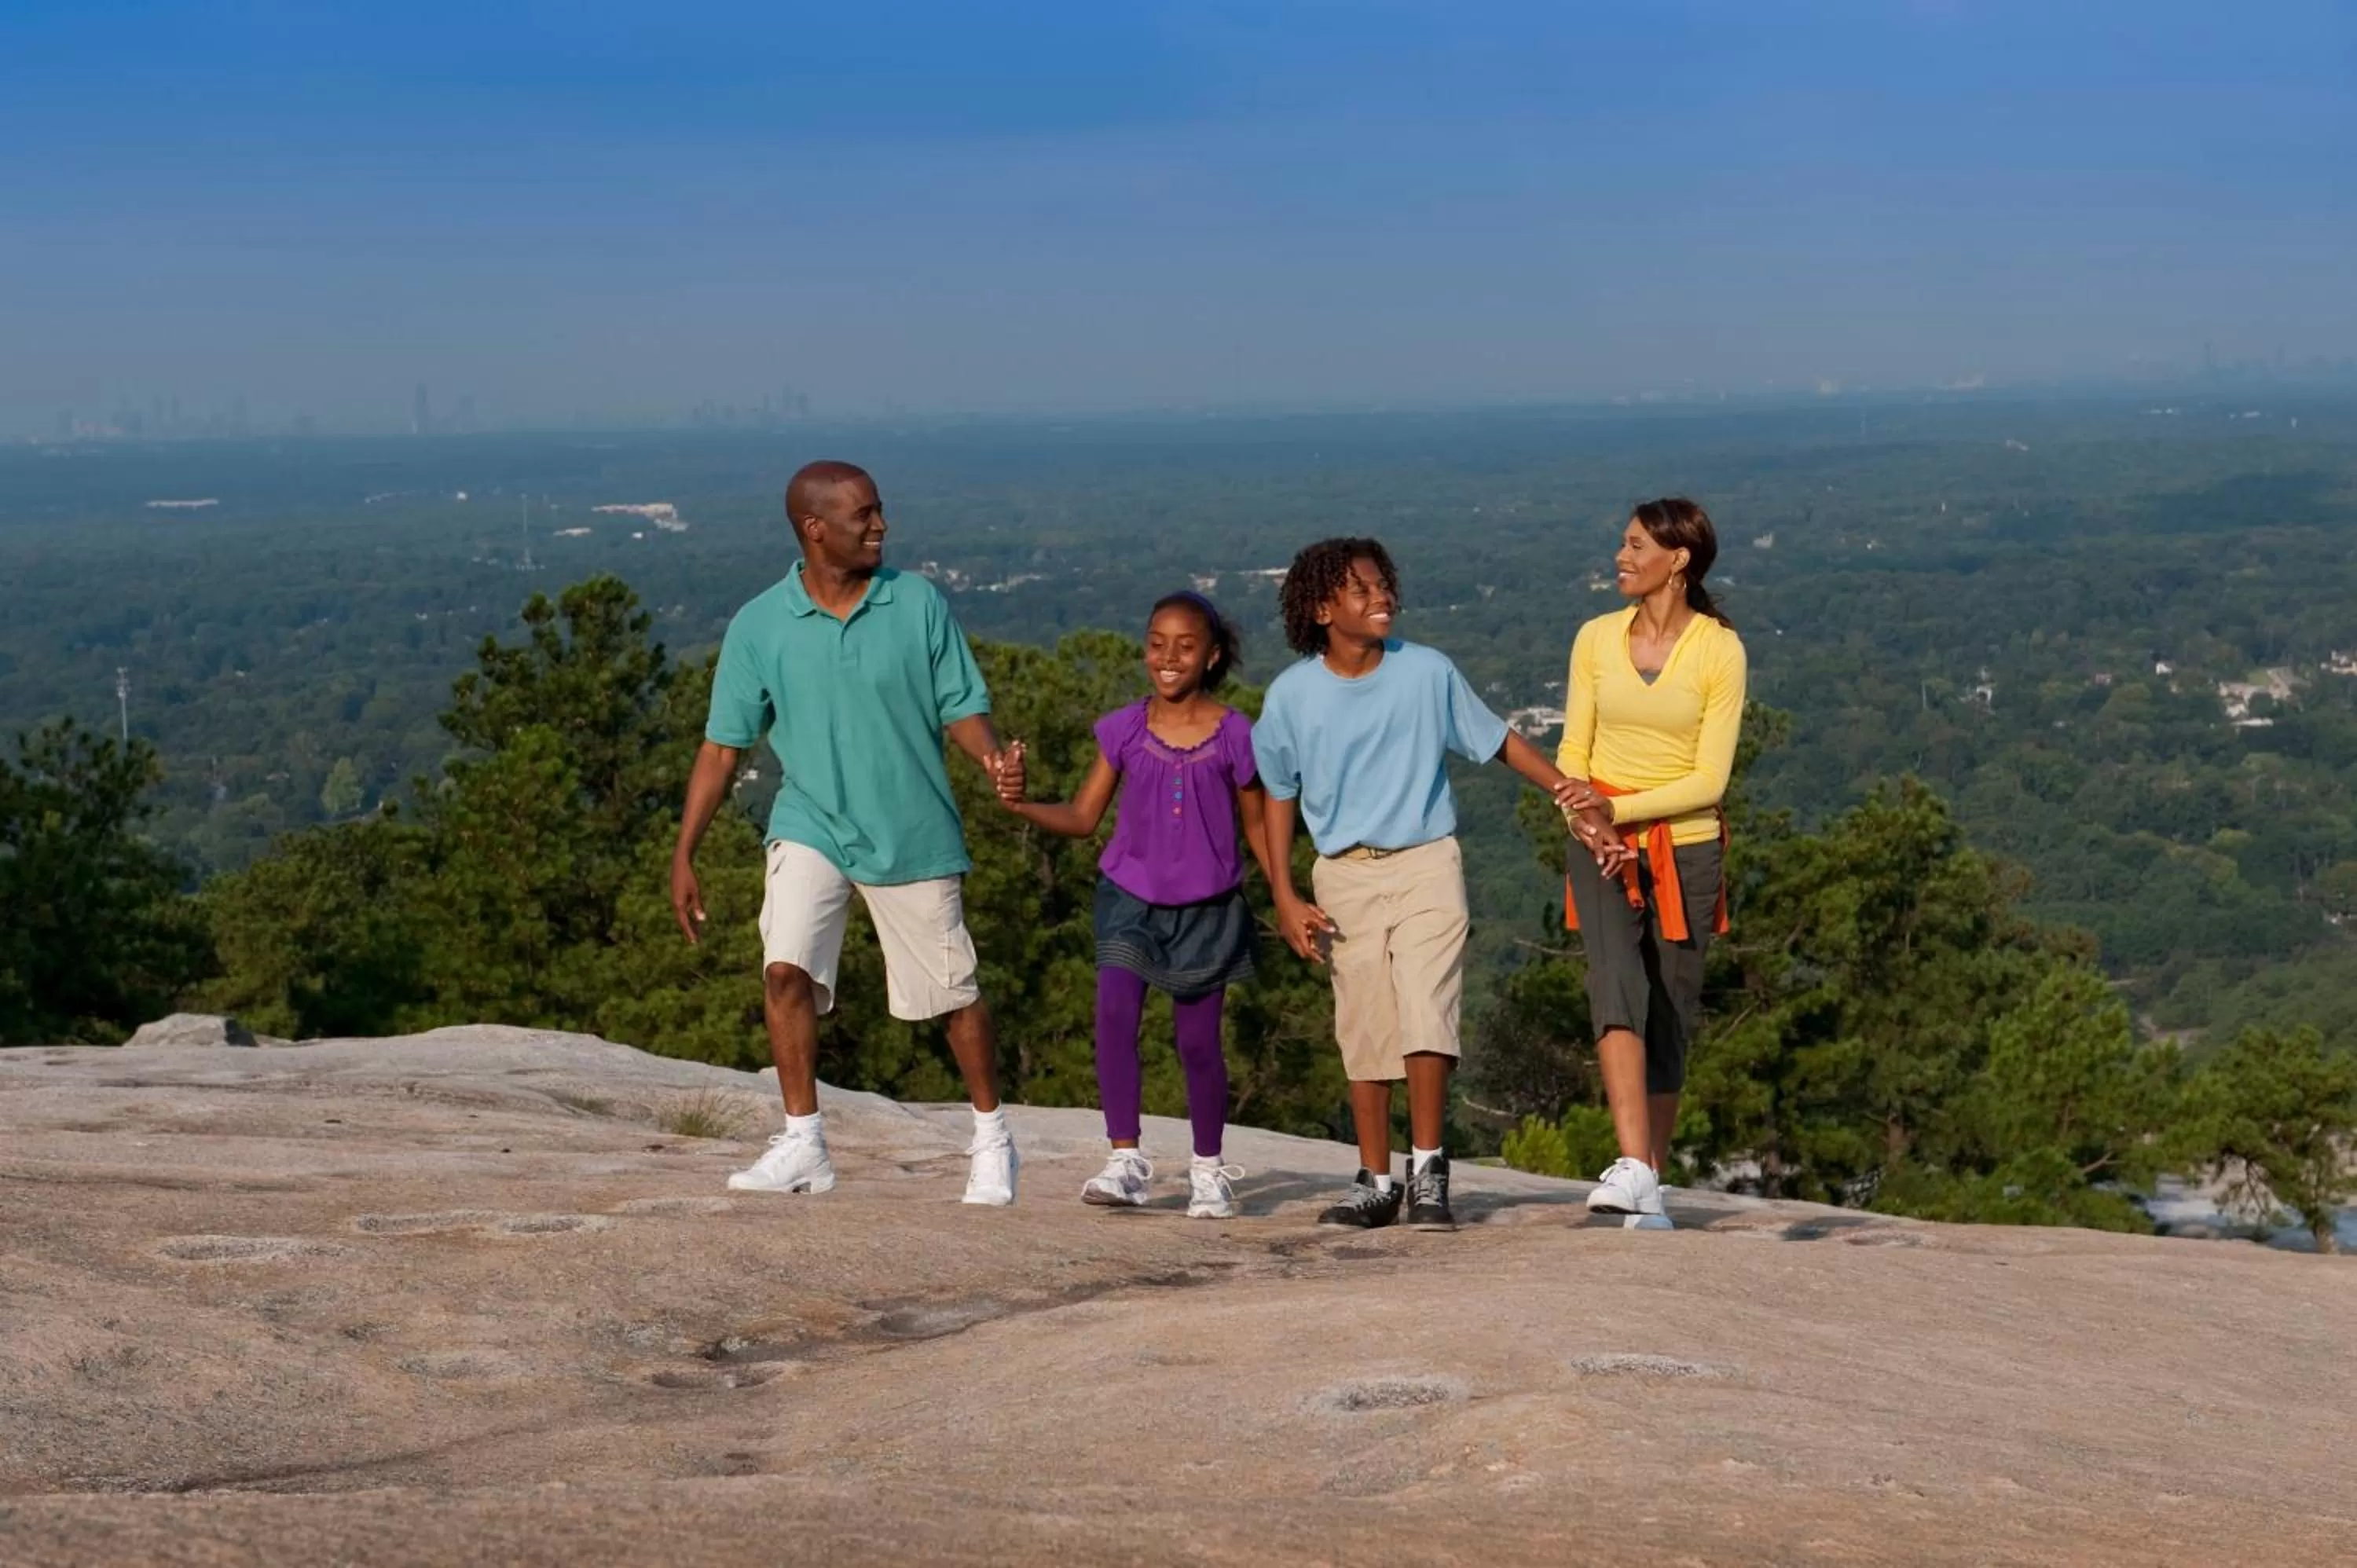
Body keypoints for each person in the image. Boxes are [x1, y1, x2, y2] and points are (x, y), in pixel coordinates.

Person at [669, 460, 1021, 1206]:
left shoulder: (915, 602)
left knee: (953, 998)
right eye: (865, 515)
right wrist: (685, 851)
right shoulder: (760, 623)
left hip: (911, 828)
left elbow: (960, 703)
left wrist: (992, 758)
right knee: (785, 970)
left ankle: (992, 1138)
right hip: (811, 821)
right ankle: (804, 1145)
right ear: (814, 528)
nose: (881, 525)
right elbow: (722, 747)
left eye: (880, 510)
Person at [1255, 537, 1582, 1231]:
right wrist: (1284, 893)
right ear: (1321, 609)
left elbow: (1495, 741)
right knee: (1365, 1023)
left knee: (1427, 1006)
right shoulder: (1290, 697)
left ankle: (1428, 1171)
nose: (1383, 600)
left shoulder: (1427, 672)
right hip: (1343, 872)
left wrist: (1564, 790)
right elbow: (1276, 795)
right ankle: (1375, 1180)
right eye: (1362, 591)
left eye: (1385, 587)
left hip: (1428, 859)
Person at [993, 592, 1274, 1219]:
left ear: (1213, 655)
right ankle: (1126, 1161)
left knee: (1198, 1044)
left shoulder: (1236, 735)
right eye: (1156, 643)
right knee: (1114, 1016)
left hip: (1209, 909)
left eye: (1185, 645)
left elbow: (1259, 827)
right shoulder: (1123, 728)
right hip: (1129, 898)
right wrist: (1021, 804)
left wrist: (1285, 894)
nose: (1168, 657)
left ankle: (1208, 1171)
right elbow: (1083, 815)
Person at [1556, 496, 1748, 1232]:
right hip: (1597, 840)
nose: (1621, 557)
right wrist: (1584, 815)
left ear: (1680, 560)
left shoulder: (1718, 650)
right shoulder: (1595, 639)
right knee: (1615, 981)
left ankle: (1649, 1186)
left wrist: (1618, 813)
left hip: (1686, 846)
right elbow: (1574, 751)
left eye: (1636, 546)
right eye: (1622, 544)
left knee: (1669, 1009)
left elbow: (1710, 781)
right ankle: (1633, 1164)